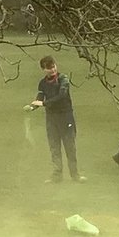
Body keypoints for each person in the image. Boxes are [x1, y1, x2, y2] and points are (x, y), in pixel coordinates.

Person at [26, 55, 84, 183]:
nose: (52, 70)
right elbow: (40, 98)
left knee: (70, 147)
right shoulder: (42, 83)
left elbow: (62, 96)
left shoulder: (63, 79)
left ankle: (75, 175)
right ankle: (57, 176)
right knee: (54, 147)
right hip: (51, 119)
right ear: (43, 69)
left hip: (65, 117)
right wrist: (31, 107)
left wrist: (44, 104)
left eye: (53, 67)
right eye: (49, 68)